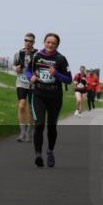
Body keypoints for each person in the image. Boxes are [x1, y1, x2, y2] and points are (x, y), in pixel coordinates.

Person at [26, 33, 72, 168]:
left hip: (55, 97)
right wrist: (30, 78)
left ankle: (50, 151)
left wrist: (56, 74)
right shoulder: (37, 56)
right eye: (48, 42)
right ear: (44, 42)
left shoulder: (61, 59)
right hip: (39, 95)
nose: (50, 45)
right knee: (39, 124)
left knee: (52, 127)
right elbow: (28, 70)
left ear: (57, 45)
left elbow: (69, 79)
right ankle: (38, 155)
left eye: (53, 43)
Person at [12, 33, 37, 142]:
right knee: (22, 105)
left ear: (33, 43)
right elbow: (14, 66)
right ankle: (22, 131)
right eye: (26, 40)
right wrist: (16, 68)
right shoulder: (18, 53)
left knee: (31, 109)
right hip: (21, 82)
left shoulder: (37, 54)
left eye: (30, 41)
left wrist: (35, 75)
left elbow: (40, 68)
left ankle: (29, 132)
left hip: (32, 84)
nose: (28, 42)